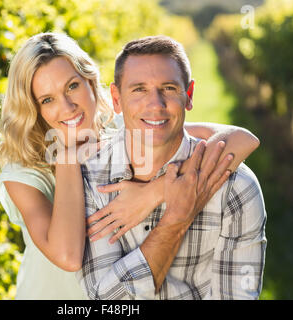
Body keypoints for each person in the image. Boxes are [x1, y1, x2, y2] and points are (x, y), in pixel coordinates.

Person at [0, 32, 260, 300]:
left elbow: (241, 140)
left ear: (90, 82)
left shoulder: (123, 127)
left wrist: (155, 191)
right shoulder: (23, 174)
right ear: (34, 108)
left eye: (72, 86)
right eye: (47, 99)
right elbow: (68, 256)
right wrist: (67, 158)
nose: (67, 107)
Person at [77, 35, 267, 300]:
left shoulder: (236, 186)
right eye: (139, 89)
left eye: (168, 88)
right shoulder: (88, 179)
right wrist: (175, 216)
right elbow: (109, 302)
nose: (155, 104)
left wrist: (170, 205)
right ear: (116, 99)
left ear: (188, 95)